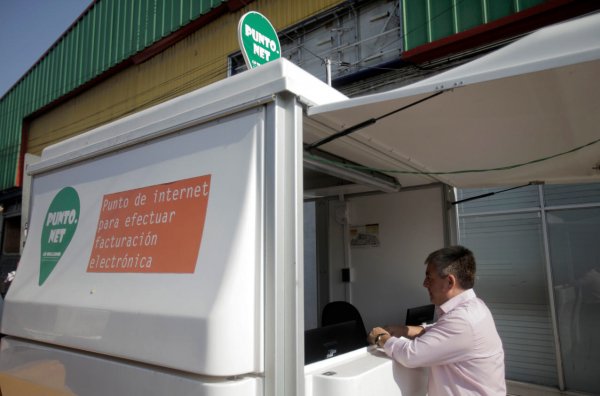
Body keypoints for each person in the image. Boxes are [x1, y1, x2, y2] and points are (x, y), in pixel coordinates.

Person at [368, 245, 506, 396]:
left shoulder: (462, 320)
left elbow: (412, 355)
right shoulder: (475, 307)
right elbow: (442, 333)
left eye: (429, 278)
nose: (424, 284)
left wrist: (381, 338)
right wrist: (403, 330)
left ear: (449, 282)